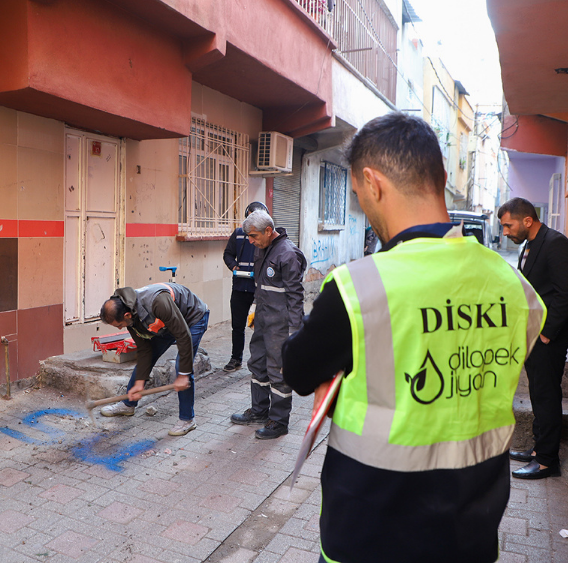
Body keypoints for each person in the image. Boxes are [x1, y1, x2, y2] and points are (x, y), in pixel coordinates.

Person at [282, 113, 545, 563]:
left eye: (358, 194)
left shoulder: (356, 288)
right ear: (442, 178)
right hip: (472, 534)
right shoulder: (515, 288)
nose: (363, 204)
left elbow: (297, 371)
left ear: (372, 182)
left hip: (370, 535)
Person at [498, 197, 568, 479]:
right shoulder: (530, 244)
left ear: (527, 220)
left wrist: (548, 333)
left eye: (508, 225)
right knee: (538, 394)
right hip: (534, 335)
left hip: (548, 337)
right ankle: (539, 450)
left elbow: (565, 293)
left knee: (547, 396)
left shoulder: (555, 243)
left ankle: (547, 462)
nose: (505, 232)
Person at [230, 209, 306, 439]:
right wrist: (255, 308)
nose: (251, 242)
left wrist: (295, 333)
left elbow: (296, 296)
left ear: (268, 231)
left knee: (278, 370)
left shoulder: (288, 254)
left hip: (281, 326)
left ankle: (279, 421)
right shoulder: (263, 249)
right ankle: (259, 410)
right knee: (258, 364)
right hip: (263, 320)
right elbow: (262, 286)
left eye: (253, 236)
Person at [98, 283, 209, 436]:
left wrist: (183, 374)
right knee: (148, 358)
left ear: (126, 316)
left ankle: (187, 419)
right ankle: (128, 404)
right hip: (167, 324)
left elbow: (183, 336)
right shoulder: (129, 312)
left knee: (182, 365)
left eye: (119, 325)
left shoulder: (158, 302)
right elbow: (145, 350)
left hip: (193, 317)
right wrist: (139, 383)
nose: (120, 329)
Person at [223, 201, 269, 372]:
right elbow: (228, 254)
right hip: (240, 287)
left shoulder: (267, 236)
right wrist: (234, 265)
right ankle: (236, 359)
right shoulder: (239, 234)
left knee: (259, 326)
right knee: (237, 325)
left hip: (259, 290)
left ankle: (259, 361)